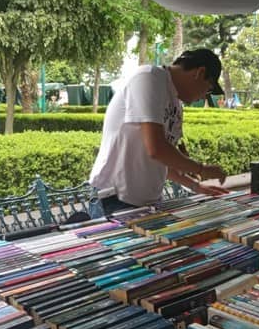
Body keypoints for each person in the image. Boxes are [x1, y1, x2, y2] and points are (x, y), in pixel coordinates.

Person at [89, 49, 229, 215]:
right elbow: (156, 149)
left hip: (149, 203)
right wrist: (202, 169)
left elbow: (164, 162)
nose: (204, 97)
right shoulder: (149, 77)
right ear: (200, 73)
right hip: (115, 200)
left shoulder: (176, 104)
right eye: (209, 89)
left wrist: (196, 186)